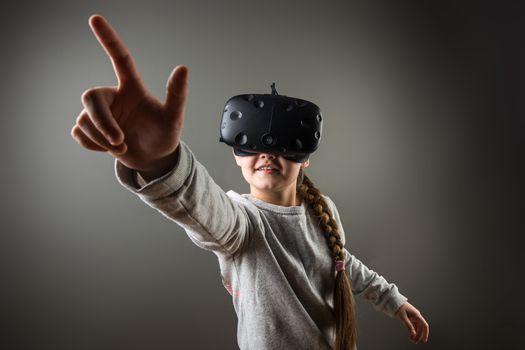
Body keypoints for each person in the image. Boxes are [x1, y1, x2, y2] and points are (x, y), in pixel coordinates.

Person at [71, 14, 430, 350]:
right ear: (236, 155)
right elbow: (199, 205)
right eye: (252, 146)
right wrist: (159, 162)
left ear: (305, 160)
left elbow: (340, 262)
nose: (267, 155)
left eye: (284, 147)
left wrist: (395, 302)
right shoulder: (241, 224)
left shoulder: (323, 211)